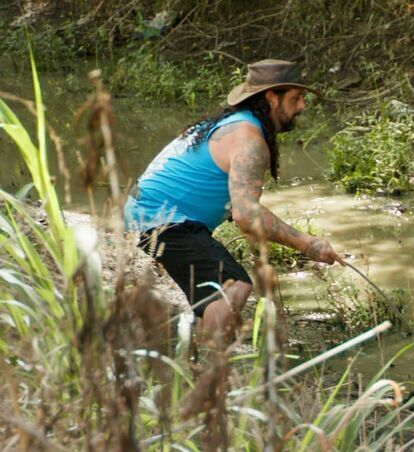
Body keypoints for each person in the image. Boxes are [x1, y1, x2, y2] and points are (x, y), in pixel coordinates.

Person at [125, 59, 339, 347]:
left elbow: (236, 209)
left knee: (220, 284)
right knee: (233, 285)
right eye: (295, 98)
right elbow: (246, 215)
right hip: (163, 219)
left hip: (150, 214)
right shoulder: (249, 140)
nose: (302, 106)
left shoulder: (236, 126)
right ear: (271, 98)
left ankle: (199, 354)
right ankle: (208, 374)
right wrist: (307, 244)